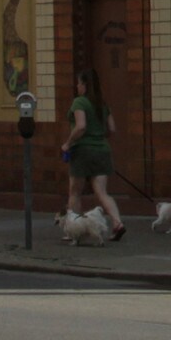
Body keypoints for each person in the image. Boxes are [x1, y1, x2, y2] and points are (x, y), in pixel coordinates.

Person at [64, 67, 126, 238]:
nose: (77, 87)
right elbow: (112, 129)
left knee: (75, 192)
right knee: (102, 192)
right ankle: (117, 222)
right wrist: (99, 137)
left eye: (78, 83)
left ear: (84, 84)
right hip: (102, 150)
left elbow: (81, 126)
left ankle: (73, 230)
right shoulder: (102, 103)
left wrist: (68, 143)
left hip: (82, 151)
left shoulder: (79, 102)